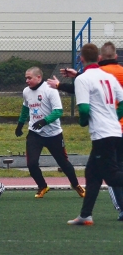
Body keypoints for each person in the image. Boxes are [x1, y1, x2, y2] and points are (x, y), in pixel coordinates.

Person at [47, 41, 123, 221]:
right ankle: (85, 215)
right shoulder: (108, 77)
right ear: (98, 58)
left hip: (102, 134)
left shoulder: (82, 79)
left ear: (81, 59)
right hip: (115, 131)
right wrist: (115, 116)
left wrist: (83, 122)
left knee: (112, 177)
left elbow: (84, 109)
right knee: (92, 174)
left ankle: (86, 215)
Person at [15, 66, 85, 199]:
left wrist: (43, 121)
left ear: (38, 77)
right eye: (26, 78)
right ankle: (42, 186)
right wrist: (20, 125)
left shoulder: (50, 89)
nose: (27, 81)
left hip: (54, 134)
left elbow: (58, 111)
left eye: (29, 78)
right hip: (35, 134)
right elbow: (25, 109)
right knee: (31, 163)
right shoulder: (26, 91)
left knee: (63, 163)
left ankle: (76, 185)